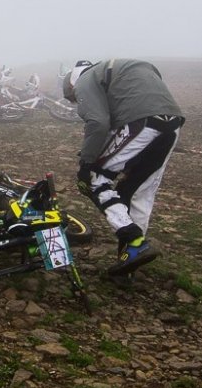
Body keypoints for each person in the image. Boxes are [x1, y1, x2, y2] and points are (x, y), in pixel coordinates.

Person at [63, 59, 184, 276]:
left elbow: (98, 122)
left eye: (74, 100)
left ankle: (134, 240)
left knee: (94, 178)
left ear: (72, 84)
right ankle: (129, 261)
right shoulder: (118, 69)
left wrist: (86, 163)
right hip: (171, 123)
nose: (77, 103)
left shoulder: (83, 80)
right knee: (139, 191)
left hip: (140, 121)